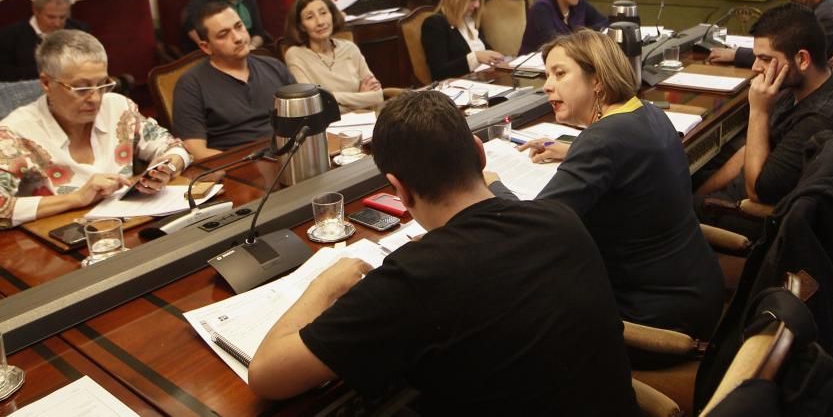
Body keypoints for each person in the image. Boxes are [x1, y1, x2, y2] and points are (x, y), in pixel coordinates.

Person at [248, 90, 639, 414]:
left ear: (398, 190)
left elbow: (267, 375)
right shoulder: (560, 220)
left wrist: (322, 285)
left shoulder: (414, 279)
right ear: (478, 153)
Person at [490, 30, 724, 338]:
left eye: (560, 74)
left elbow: (534, 230)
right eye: (547, 75)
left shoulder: (601, 141)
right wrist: (572, 151)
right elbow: (630, 158)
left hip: (653, 318)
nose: (547, 86)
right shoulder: (648, 111)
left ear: (597, 80)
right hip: (696, 291)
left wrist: (492, 187)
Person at [695, 3, 833, 231]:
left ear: (803, 60)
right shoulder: (808, 86)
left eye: (765, 59)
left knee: (664, 205)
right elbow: (750, 151)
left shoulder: (820, 118)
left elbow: (758, 191)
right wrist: (701, 190)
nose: (756, 67)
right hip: (762, 185)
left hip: (775, 219)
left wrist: (759, 111)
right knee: (689, 176)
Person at [0, 31, 189, 229]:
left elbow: (176, 147)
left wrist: (169, 167)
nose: (95, 98)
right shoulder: (15, 133)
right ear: (47, 83)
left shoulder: (119, 108)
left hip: (128, 226)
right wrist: (77, 198)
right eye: (81, 88)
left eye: (102, 84)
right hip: (56, 240)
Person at [173, 3, 294, 160]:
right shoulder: (190, 85)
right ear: (206, 47)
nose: (238, 38)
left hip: (289, 157)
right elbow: (196, 151)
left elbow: (306, 119)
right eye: (223, 34)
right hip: (235, 169)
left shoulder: (273, 66)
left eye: (239, 26)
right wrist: (254, 165)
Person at [283, 0, 382, 112]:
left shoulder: (350, 48)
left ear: (332, 14)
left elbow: (377, 96)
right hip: (328, 127)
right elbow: (312, 104)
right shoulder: (295, 55)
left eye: (323, 13)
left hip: (365, 121)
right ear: (301, 26)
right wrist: (361, 100)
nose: (320, 22)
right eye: (310, 17)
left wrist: (330, 98)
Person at [421, 0, 504, 80]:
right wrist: (475, 57)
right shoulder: (435, 24)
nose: (477, 5)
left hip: (483, 81)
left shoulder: (471, 20)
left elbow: (488, 52)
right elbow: (439, 72)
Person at [0, 0, 89, 81]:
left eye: (62, 17)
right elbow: (5, 74)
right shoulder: (8, 36)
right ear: (36, 11)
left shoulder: (79, 30)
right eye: (51, 17)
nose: (57, 23)